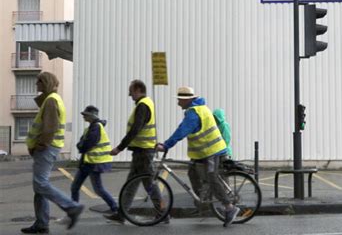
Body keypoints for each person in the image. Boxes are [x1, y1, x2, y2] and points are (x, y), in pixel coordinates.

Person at [156, 86, 240, 227]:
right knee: (192, 172)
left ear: (187, 100)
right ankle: (203, 201)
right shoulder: (197, 109)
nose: (178, 102)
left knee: (212, 176)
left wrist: (166, 145)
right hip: (202, 152)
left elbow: (181, 131)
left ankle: (229, 207)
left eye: (180, 100)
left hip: (212, 150)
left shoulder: (194, 114)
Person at [22, 72, 84, 234]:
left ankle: (72, 207)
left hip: (46, 148)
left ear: (45, 83)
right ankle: (42, 223)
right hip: (48, 148)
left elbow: (50, 127)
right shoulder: (50, 100)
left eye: (38, 82)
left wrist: (40, 145)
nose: (36, 85)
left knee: (41, 184)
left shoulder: (51, 101)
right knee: (39, 187)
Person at [105, 80, 168, 224]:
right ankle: (123, 214)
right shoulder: (145, 104)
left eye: (131, 91)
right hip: (141, 151)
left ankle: (162, 212)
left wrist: (119, 148)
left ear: (138, 90)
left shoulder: (143, 105)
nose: (129, 94)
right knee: (133, 183)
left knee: (147, 183)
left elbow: (135, 129)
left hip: (144, 151)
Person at [70, 106, 117, 213]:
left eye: (85, 115)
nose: (83, 116)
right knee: (77, 187)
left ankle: (115, 207)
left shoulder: (95, 127)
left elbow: (86, 144)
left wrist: (81, 146)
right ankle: (73, 210)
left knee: (95, 189)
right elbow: (82, 143)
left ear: (92, 115)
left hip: (93, 163)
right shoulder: (92, 127)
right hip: (88, 163)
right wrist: (81, 145)